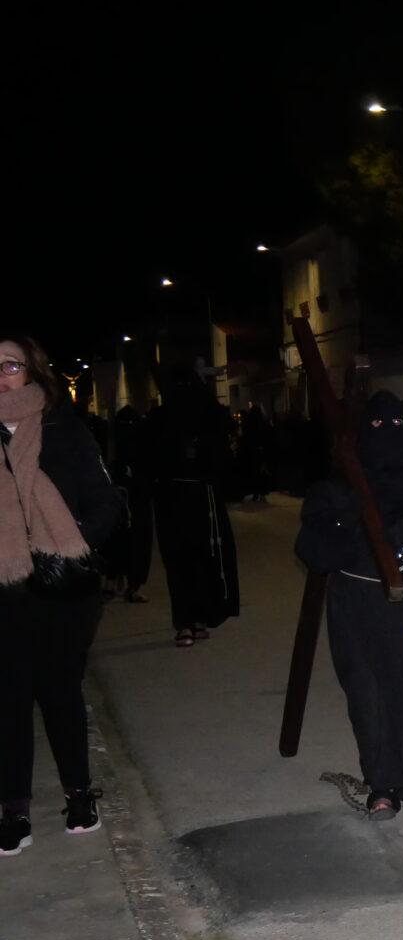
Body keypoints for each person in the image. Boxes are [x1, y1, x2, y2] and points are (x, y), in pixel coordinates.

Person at [294, 390, 403, 817]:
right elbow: (313, 549)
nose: (385, 436)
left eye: (394, 426)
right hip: (351, 602)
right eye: (375, 427)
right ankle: (382, 783)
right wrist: (344, 521)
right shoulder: (341, 486)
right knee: (365, 693)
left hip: (402, 606)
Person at [0, 335, 123, 856]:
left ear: (32, 373)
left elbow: (107, 502)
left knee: (60, 693)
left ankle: (78, 795)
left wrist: (72, 548)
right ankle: (14, 809)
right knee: (7, 700)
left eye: (10, 365)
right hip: (2, 588)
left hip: (59, 587)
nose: (1, 376)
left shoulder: (63, 429)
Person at [148, 363, 240, 646]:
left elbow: (223, 456)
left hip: (199, 498)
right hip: (176, 499)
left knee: (200, 560)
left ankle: (196, 619)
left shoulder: (206, 417)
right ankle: (188, 621)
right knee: (182, 561)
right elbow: (151, 460)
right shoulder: (162, 420)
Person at [104, 403, 154, 603]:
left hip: (131, 497)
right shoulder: (125, 448)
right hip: (126, 498)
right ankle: (123, 582)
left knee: (126, 540)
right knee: (124, 540)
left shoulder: (127, 447)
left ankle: (123, 582)